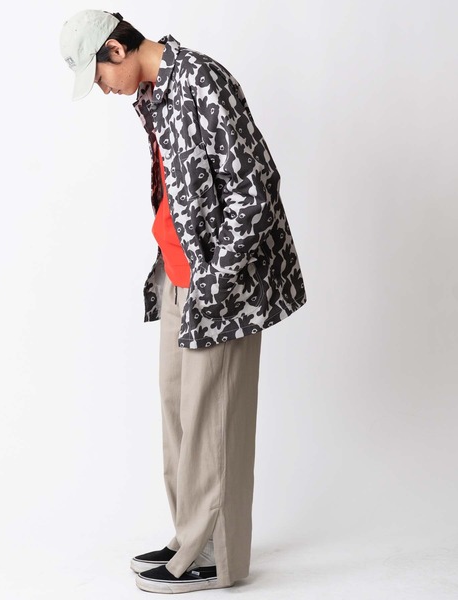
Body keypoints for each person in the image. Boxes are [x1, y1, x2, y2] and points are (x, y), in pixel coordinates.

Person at [59, 9, 307, 594]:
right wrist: (177, 271)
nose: (103, 89)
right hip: (176, 276)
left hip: (219, 286)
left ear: (115, 50)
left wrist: (215, 282)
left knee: (213, 426)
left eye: (99, 75)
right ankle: (190, 537)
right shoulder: (154, 95)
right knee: (180, 419)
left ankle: (218, 559)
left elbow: (255, 189)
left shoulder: (201, 80)